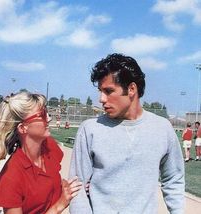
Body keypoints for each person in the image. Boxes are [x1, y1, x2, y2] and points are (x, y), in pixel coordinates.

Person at [69, 53, 184, 214]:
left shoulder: (162, 128)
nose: (101, 99)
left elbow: (173, 179)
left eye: (108, 91)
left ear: (131, 89)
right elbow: (77, 187)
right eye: (100, 91)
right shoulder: (89, 129)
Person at [0, 92, 82, 214]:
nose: (49, 118)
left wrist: (64, 188)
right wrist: (59, 205)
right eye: (41, 115)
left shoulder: (49, 147)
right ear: (23, 128)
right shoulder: (10, 178)